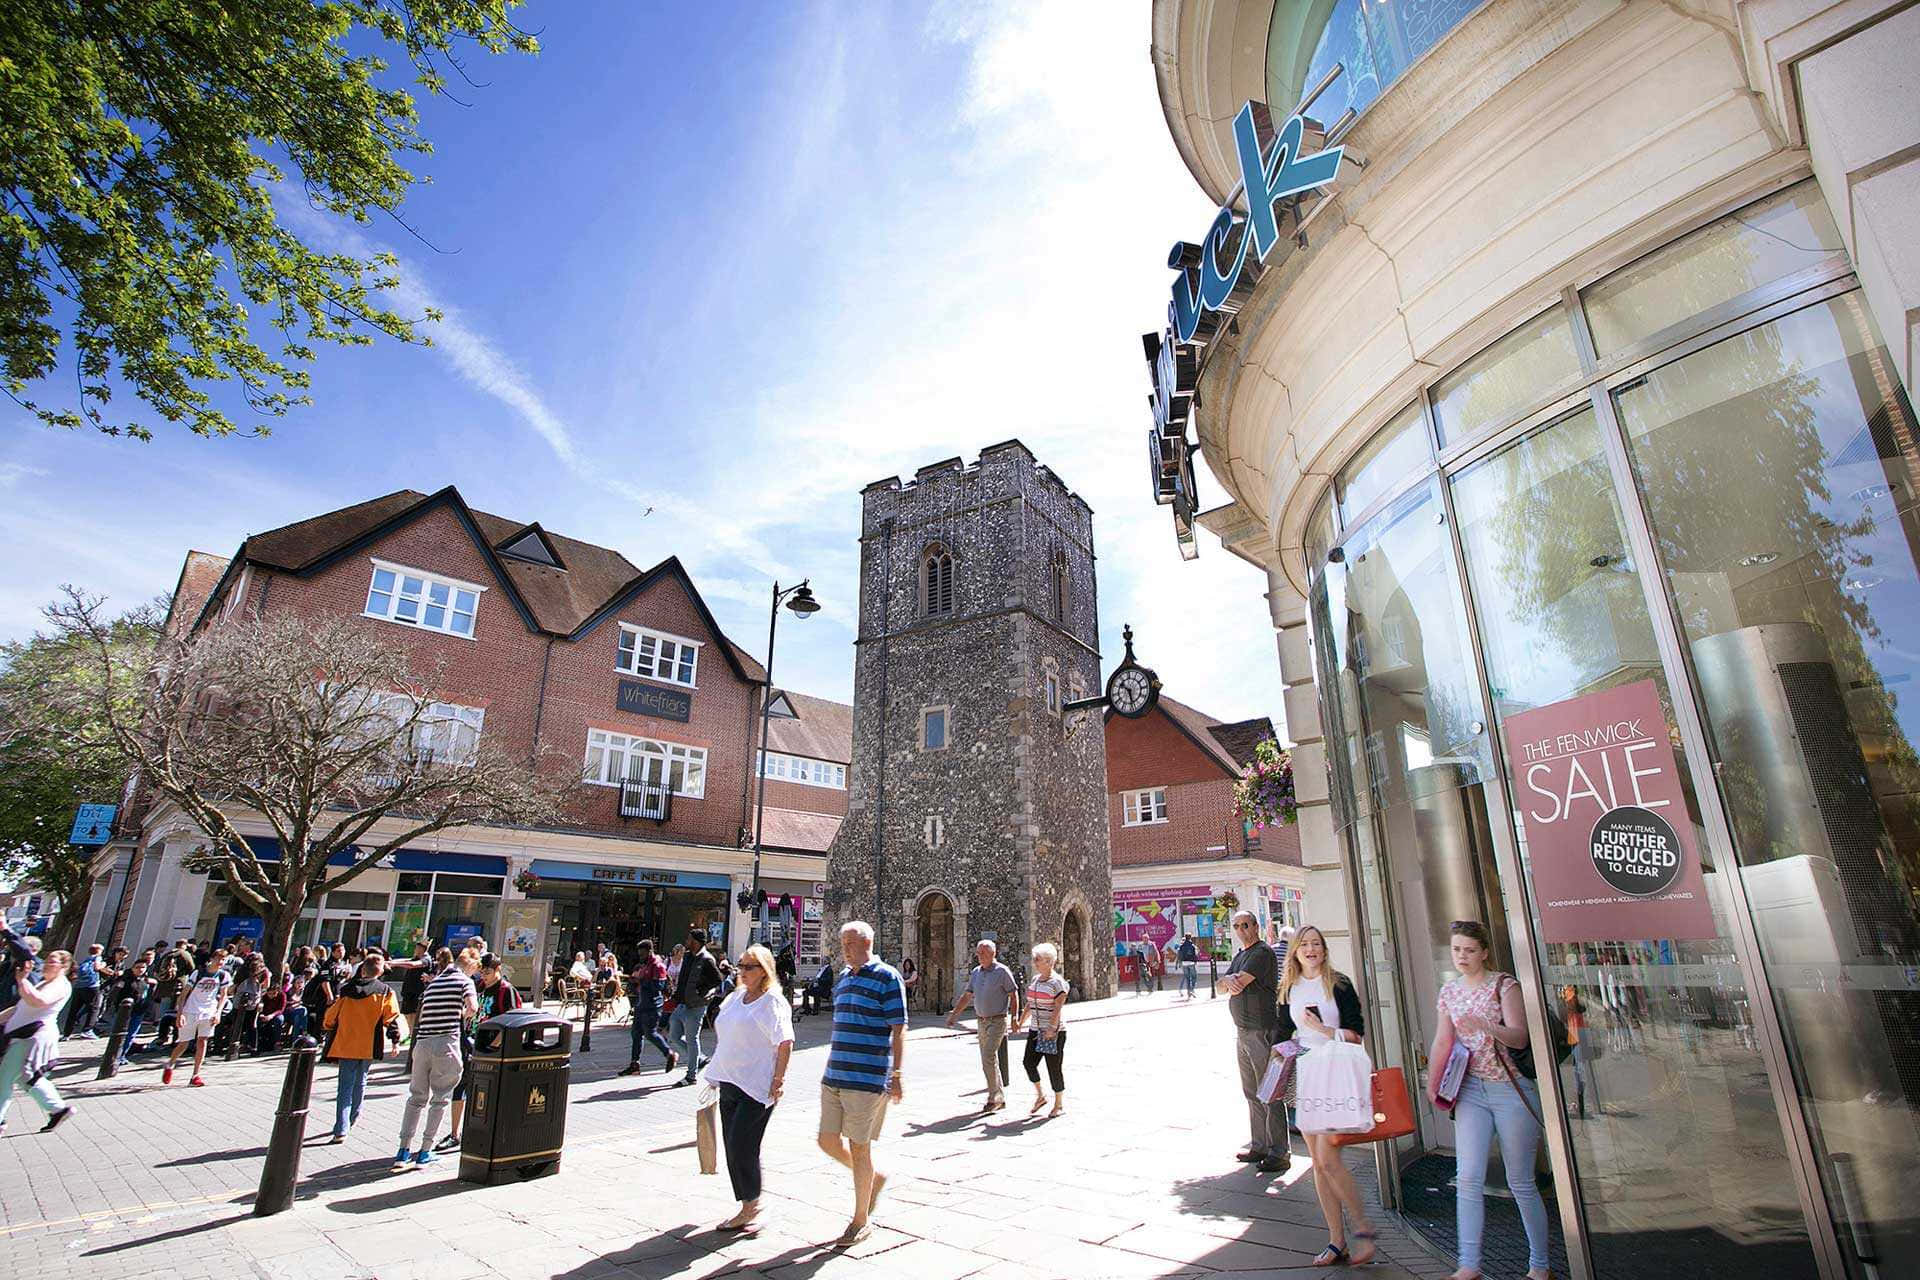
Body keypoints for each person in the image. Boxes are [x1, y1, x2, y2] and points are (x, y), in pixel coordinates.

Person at [1427, 921, 1551, 1280]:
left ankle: (1540, 1266)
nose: (1462, 956)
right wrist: (1433, 1084)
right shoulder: (1449, 992)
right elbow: (1442, 1041)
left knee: (1520, 1181)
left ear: (1483, 952)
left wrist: (1486, 1025)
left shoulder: (1503, 985)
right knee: (1467, 1178)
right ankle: (1469, 1265)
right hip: (1470, 1091)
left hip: (1510, 1090)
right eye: (1456, 950)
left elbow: (1520, 1037)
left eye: (1468, 950)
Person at [1275, 923, 1378, 1266]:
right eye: (1304, 944)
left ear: (1324, 949)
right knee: (1318, 1164)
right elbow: (1282, 1031)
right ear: (1295, 951)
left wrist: (1323, 1030)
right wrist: (1281, 1053)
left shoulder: (1339, 984)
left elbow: (1357, 1035)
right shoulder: (1289, 987)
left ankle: (1364, 1230)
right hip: (1306, 1075)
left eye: (1316, 943)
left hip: (1334, 1074)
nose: (1311, 949)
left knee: (1329, 1159)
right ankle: (1337, 1241)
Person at [818, 921, 906, 1248]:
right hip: (835, 1074)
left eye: (849, 943)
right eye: (842, 942)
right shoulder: (843, 978)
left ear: (866, 942)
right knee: (827, 1141)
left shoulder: (887, 977)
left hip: (867, 1077)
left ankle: (860, 1220)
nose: (844, 948)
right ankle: (874, 1178)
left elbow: (899, 1028)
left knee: (859, 1146)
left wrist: (896, 1075)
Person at [702, 943, 794, 1235]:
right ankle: (748, 1202)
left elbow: (785, 1042)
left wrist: (778, 1081)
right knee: (732, 1145)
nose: (741, 971)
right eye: (740, 965)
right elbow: (723, 1029)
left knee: (743, 1144)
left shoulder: (773, 1002)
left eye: (748, 966)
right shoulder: (735, 997)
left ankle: (752, 1204)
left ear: (764, 970)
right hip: (729, 1080)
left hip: (757, 1085)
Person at [1214, 911, 1288, 1175]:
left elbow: (1239, 983)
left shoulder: (1261, 952)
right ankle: (1260, 1145)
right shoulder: (1240, 955)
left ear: (1256, 926)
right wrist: (1227, 982)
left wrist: (1231, 981)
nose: (1241, 929)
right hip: (1243, 1031)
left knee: (1268, 1091)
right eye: (1236, 926)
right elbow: (1221, 986)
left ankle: (1279, 1152)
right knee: (1251, 1092)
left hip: (1261, 1030)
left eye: (1245, 925)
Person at [393, 947, 475, 1170]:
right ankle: (425, 1151)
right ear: (471, 964)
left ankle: (403, 1149)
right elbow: (472, 1008)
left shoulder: (435, 982)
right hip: (446, 1043)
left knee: (416, 1097)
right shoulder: (465, 982)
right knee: (440, 1098)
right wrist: (461, 1015)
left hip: (422, 1044)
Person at [322, 954, 400, 1142]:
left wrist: (327, 1025)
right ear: (380, 971)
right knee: (361, 1080)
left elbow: (331, 1017)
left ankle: (341, 1128)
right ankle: (354, 1116)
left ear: (363, 969)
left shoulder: (346, 990)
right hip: (368, 1044)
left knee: (345, 1086)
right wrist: (395, 1041)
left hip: (345, 1043)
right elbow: (392, 1018)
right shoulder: (385, 991)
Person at [0, 947, 75, 1133]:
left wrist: (22, 981)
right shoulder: (44, 982)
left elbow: (38, 1001)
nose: (47, 964)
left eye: (52, 961)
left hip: (30, 1037)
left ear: (63, 966)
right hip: (22, 1036)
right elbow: (20, 1008)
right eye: (47, 959)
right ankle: (58, 1109)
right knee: (26, 1079)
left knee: (5, 1078)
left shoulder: (60, 985)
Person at [946, 939, 1019, 1113]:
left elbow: (1013, 995)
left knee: (988, 1056)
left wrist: (1015, 1017)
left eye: (983, 953)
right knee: (988, 1059)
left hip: (997, 1020)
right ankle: (998, 1096)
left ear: (993, 954)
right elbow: (967, 995)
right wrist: (955, 1014)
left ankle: (993, 1097)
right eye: (978, 953)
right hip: (981, 1021)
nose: (979, 956)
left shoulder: (1002, 972)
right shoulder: (976, 972)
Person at [1012, 942, 1069, 1117]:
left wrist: (1052, 1028)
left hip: (1053, 1032)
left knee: (1054, 1067)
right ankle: (1040, 1095)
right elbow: (1030, 1003)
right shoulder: (1036, 980)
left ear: (1049, 962)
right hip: (1036, 1030)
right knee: (1028, 1063)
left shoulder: (1058, 983)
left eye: (1038, 959)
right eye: (1035, 959)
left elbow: (1057, 1007)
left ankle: (1058, 1103)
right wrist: (1021, 1022)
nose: (1035, 962)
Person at [163, 948, 232, 1086]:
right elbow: (184, 994)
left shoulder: (224, 976)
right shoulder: (198, 973)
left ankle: (196, 1075)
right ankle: (170, 1064)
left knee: (203, 1041)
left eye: (223, 960)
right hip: (191, 1010)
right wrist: (180, 1014)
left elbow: (224, 995)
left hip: (208, 1012)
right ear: (212, 959)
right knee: (184, 1043)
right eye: (218, 959)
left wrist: (218, 1012)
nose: (220, 962)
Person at [668, 930, 721, 1087]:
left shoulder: (707, 959)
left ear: (696, 942)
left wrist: (701, 992)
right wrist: (675, 998)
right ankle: (699, 1059)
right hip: (682, 1003)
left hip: (696, 1006)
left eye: (689, 939)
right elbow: (683, 979)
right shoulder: (689, 956)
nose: (686, 940)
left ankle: (691, 1076)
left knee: (692, 1039)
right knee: (673, 1036)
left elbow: (717, 980)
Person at [620, 940, 677, 1076]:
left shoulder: (658, 966)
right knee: (636, 1033)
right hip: (642, 1004)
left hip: (652, 1005)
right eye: (639, 953)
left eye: (643, 953)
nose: (641, 956)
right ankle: (635, 1064)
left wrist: (641, 980)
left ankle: (669, 1053)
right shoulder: (646, 965)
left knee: (650, 1033)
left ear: (649, 951)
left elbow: (658, 987)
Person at [109, 955, 154, 1066]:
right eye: (138, 967)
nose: (140, 970)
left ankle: (122, 1055)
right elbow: (115, 994)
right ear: (133, 968)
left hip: (139, 1011)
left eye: (143, 967)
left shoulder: (145, 980)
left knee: (131, 1035)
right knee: (119, 1035)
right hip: (124, 1012)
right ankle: (113, 1056)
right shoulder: (125, 979)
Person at [63, 943, 105, 1038]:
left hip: (79, 986)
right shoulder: (97, 958)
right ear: (99, 951)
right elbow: (97, 968)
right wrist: (103, 964)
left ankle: (66, 1033)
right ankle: (87, 1030)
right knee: (94, 1008)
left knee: (73, 1010)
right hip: (92, 986)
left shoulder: (86, 959)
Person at [1177, 934, 1200, 999]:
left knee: (1187, 978)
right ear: (1190, 938)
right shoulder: (1192, 946)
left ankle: (1188, 992)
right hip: (1191, 962)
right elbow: (1195, 954)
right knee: (1194, 977)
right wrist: (1195, 961)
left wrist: (1180, 962)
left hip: (1184, 963)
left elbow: (1179, 954)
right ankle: (1192, 989)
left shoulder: (1181, 946)